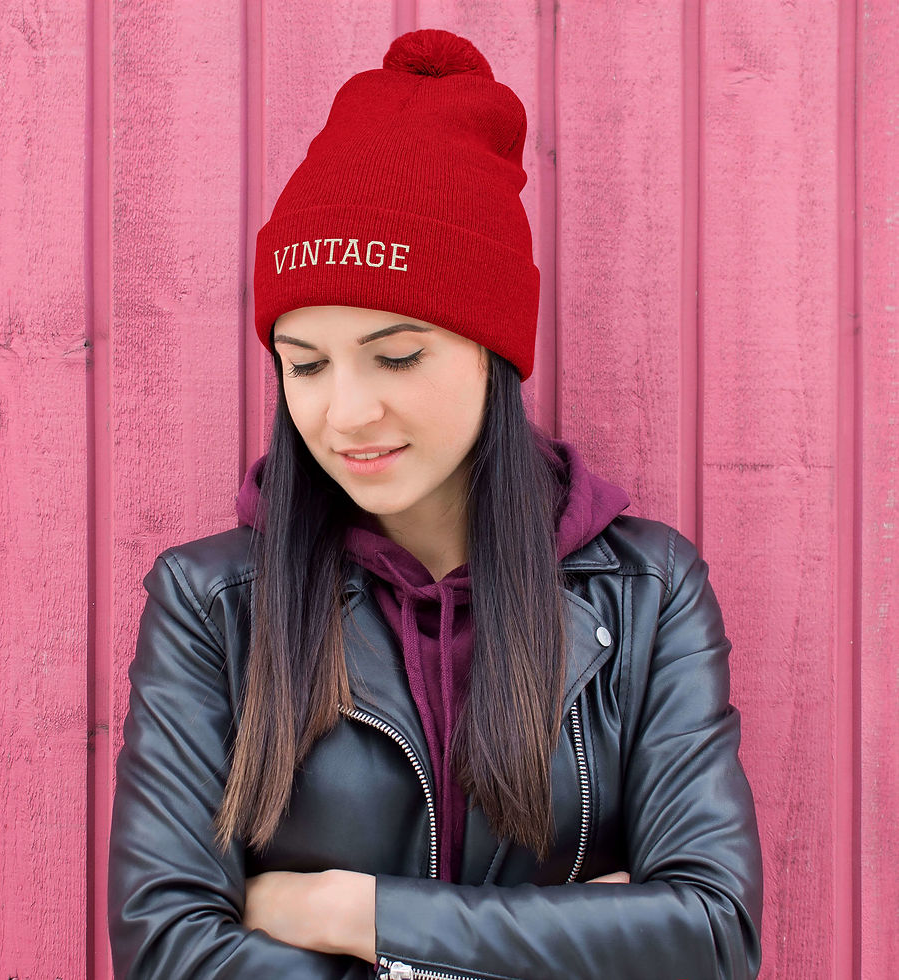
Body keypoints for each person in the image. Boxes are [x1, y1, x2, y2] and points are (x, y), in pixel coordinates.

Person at [108, 28, 763, 980]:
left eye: (398, 355)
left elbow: (710, 936)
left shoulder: (647, 590)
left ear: (493, 353)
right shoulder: (213, 604)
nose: (347, 411)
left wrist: (348, 909)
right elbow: (169, 951)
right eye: (306, 364)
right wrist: (573, 937)